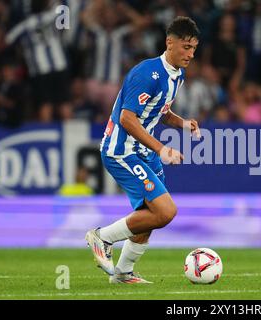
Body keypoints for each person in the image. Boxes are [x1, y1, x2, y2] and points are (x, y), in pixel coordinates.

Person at [85, 16, 201, 284]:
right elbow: (127, 118)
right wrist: (161, 149)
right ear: (169, 43)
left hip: (143, 151)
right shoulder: (146, 73)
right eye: (186, 47)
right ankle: (101, 238)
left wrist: (182, 123)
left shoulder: (177, 75)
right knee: (165, 212)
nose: (191, 54)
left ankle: (123, 273)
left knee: (150, 216)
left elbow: (159, 111)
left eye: (194, 48)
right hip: (121, 151)